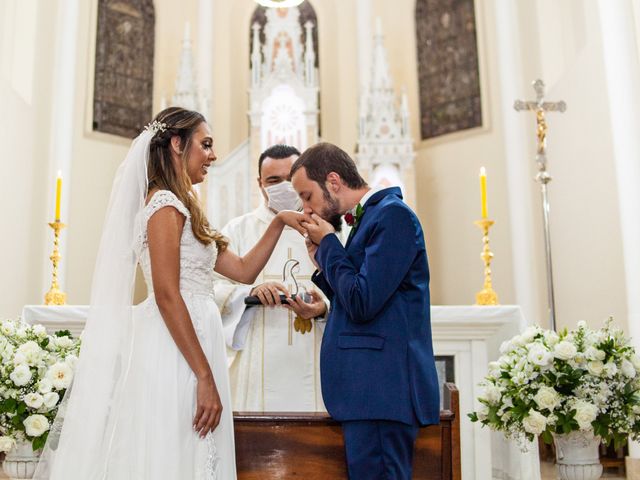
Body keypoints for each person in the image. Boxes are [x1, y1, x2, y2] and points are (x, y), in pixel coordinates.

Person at [34, 107, 304, 479]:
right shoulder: (163, 204)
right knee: (173, 448)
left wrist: (277, 223)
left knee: (194, 448)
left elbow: (242, 270)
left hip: (195, 342)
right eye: (205, 145)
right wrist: (205, 377)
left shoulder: (186, 207)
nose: (213, 155)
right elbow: (165, 294)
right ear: (177, 144)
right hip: (174, 349)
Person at [289, 142, 440, 480]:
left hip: (382, 392)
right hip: (371, 394)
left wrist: (329, 246)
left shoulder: (393, 216)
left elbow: (363, 301)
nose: (306, 208)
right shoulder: (370, 219)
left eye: (307, 195)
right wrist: (323, 267)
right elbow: (364, 297)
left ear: (333, 181)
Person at [214, 144, 332, 412]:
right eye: (273, 180)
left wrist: (323, 306)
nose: (284, 186)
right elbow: (211, 288)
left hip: (314, 351)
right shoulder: (238, 229)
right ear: (260, 183)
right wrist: (250, 293)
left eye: (290, 178)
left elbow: (350, 287)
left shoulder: (327, 230)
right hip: (256, 355)